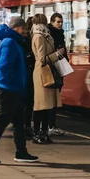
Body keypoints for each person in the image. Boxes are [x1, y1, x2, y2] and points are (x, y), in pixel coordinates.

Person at [0, 17, 38, 165]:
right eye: (23, 28)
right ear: (16, 28)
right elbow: (4, 66)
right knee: (2, 120)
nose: (25, 31)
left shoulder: (13, 41)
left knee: (18, 122)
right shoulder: (10, 42)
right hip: (9, 88)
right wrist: (12, 81)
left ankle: (21, 152)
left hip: (13, 87)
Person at [32, 13, 65, 144]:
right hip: (43, 73)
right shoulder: (39, 37)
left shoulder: (44, 34)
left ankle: (44, 133)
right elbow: (42, 58)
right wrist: (57, 54)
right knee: (41, 106)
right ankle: (38, 133)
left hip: (47, 72)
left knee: (48, 106)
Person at [47, 13, 66, 137]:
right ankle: (50, 125)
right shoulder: (51, 35)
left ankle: (51, 125)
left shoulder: (60, 33)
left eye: (61, 22)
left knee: (55, 98)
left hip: (60, 67)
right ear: (52, 22)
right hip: (53, 69)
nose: (60, 24)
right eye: (57, 22)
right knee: (52, 99)